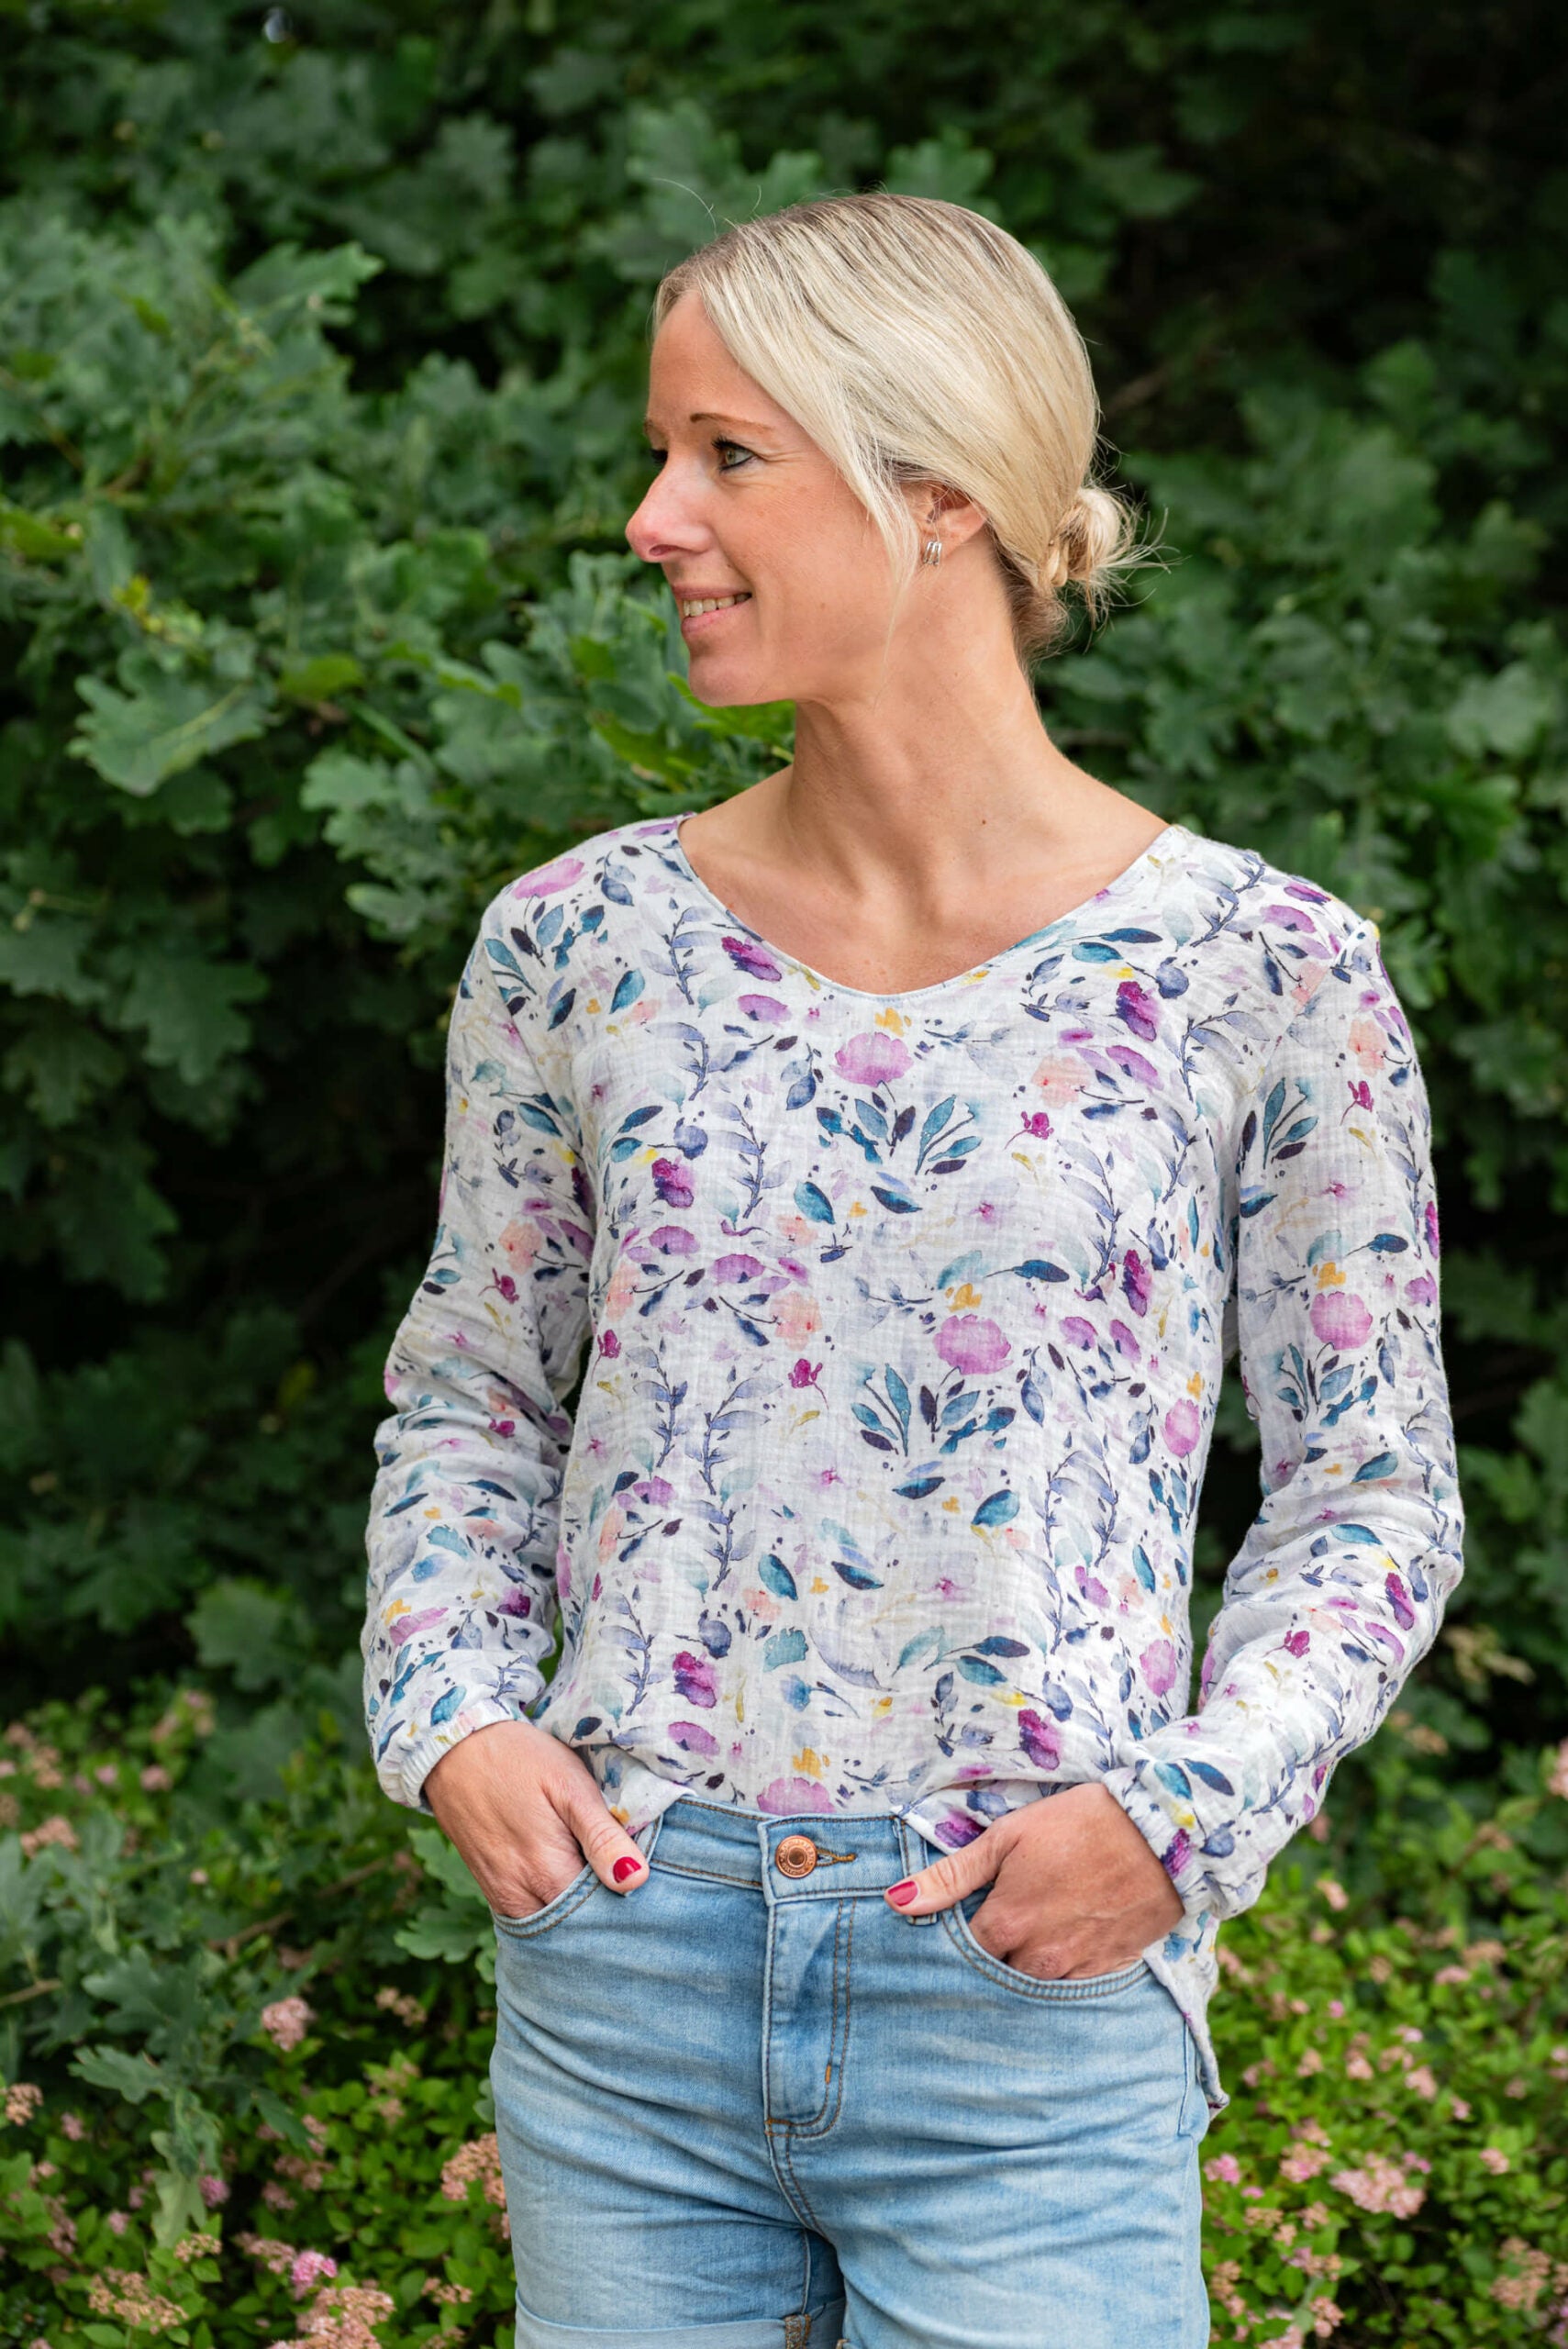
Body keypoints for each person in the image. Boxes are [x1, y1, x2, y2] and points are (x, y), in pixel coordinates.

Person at [362, 194, 1463, 2349]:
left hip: (1026, 1999)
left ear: (942, 490)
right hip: (627, 1966)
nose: (653, 517)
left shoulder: (1261, 969)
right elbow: (475, 1394)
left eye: (727, 453)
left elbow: (1373, 1488)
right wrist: (455, 1713)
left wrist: (1177, 1818)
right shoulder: (575, 946)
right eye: (665, 452)